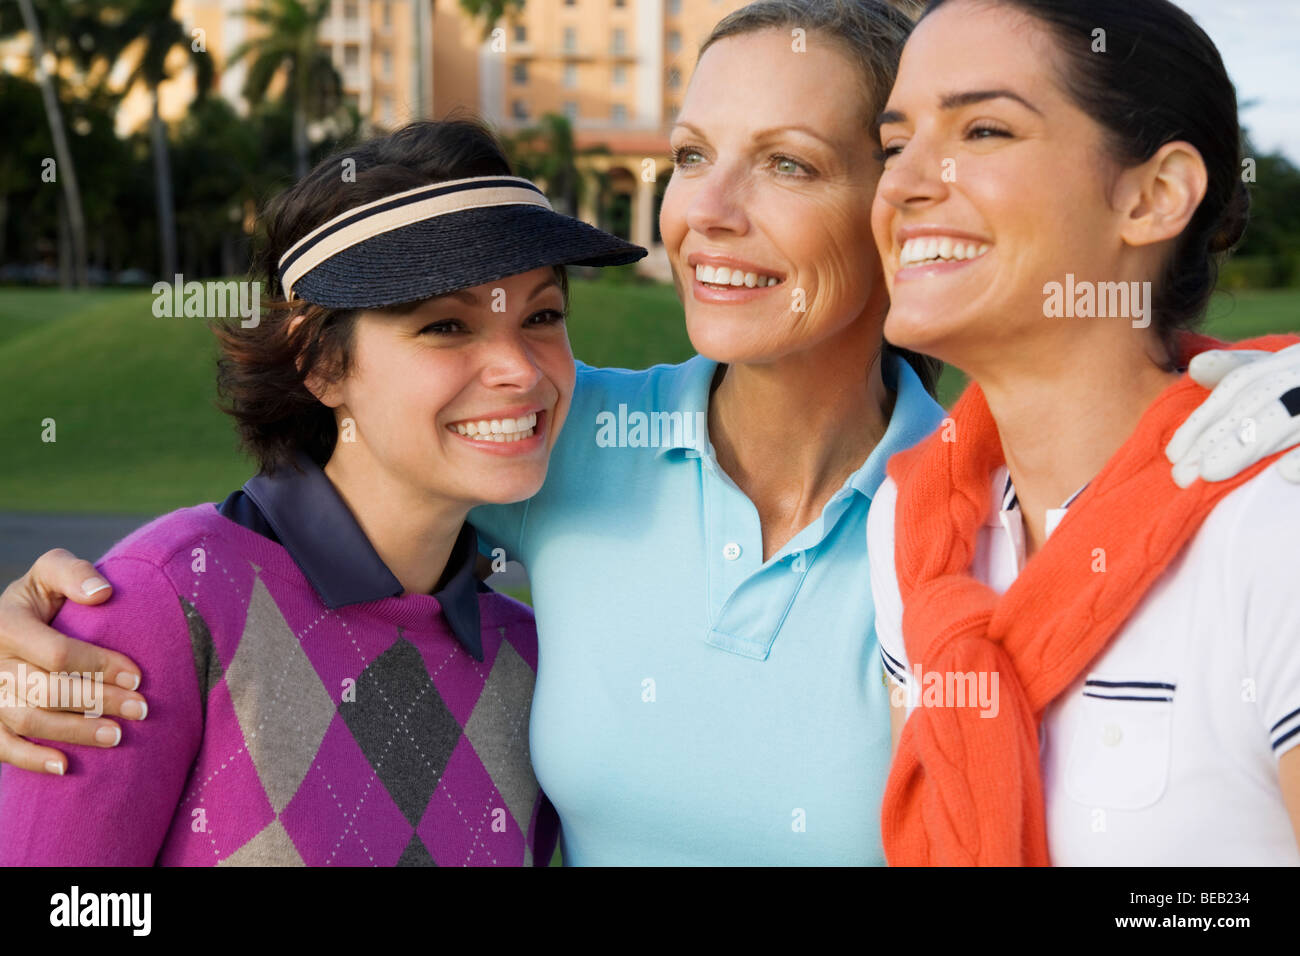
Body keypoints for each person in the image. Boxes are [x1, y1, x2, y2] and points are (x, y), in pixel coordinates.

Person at [2, 0, 1299, 866]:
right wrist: (64, 622)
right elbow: (332, 477)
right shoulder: (555, 432)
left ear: (887, 207)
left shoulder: (958, 522)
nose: (706, 213)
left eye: (789, 163)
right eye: (689, 155)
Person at [0, 118, 645, 865]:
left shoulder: (531, 661)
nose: (522, 370)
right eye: (445, 325)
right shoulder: (163, 603)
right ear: (321, 363)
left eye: (542, 316)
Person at [868, 0, 1300, 865]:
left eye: (983, 130)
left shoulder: (1274, 520)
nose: (902, 185)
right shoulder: (913, 533)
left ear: (1153, 196)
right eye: (894, 144)